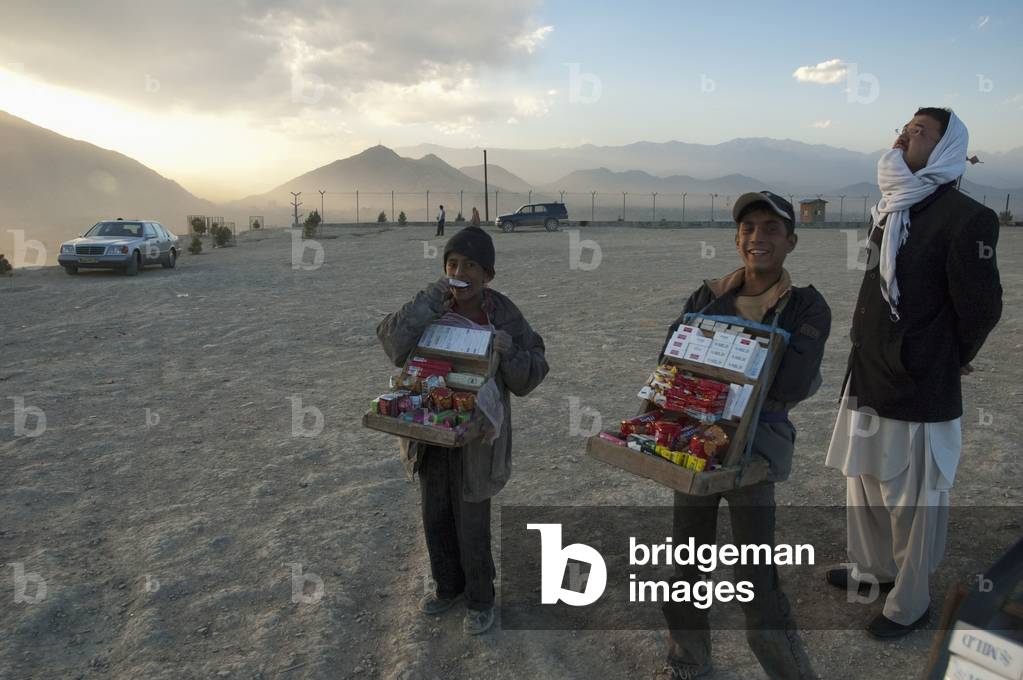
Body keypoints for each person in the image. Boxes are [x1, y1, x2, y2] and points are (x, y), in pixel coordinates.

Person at [824, 108, 1002, 639]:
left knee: (914, 497)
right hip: (869, 373)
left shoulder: (967, 218)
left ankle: (909, 601)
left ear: (947, 147)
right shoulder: (892, 205)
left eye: (919, 131)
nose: (904, 135)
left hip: (920, 380)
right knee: (864, 482)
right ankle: (875, 570)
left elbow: (981, 306)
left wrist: (954, 353)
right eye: (903, 127)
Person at [659, 191, 830, 680]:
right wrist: (742, 364)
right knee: (687, 562)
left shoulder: (806, 307)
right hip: (692, 446)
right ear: (737, 239)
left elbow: (791, 385)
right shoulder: (707, 294)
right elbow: (669, 364)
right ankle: (688, 659)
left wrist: (713, 365)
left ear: (791, 242)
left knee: (755, 574)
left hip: (755, 453)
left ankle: (787, 670)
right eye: (749, 229)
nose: (758, 238)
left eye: (771, 229)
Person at [376, 225, 549, 635]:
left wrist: (509, 355)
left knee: (471, 515)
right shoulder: (431, 304)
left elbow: (533, 370)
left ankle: (479, 598)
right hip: (430, 426)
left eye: (471, 265)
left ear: (487, 274)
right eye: (453, 263)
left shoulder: (503, 313)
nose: (461, 272)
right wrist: (429, 298)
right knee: (434, 510)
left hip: (477, 436)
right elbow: (393, 345)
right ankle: (447, 587)